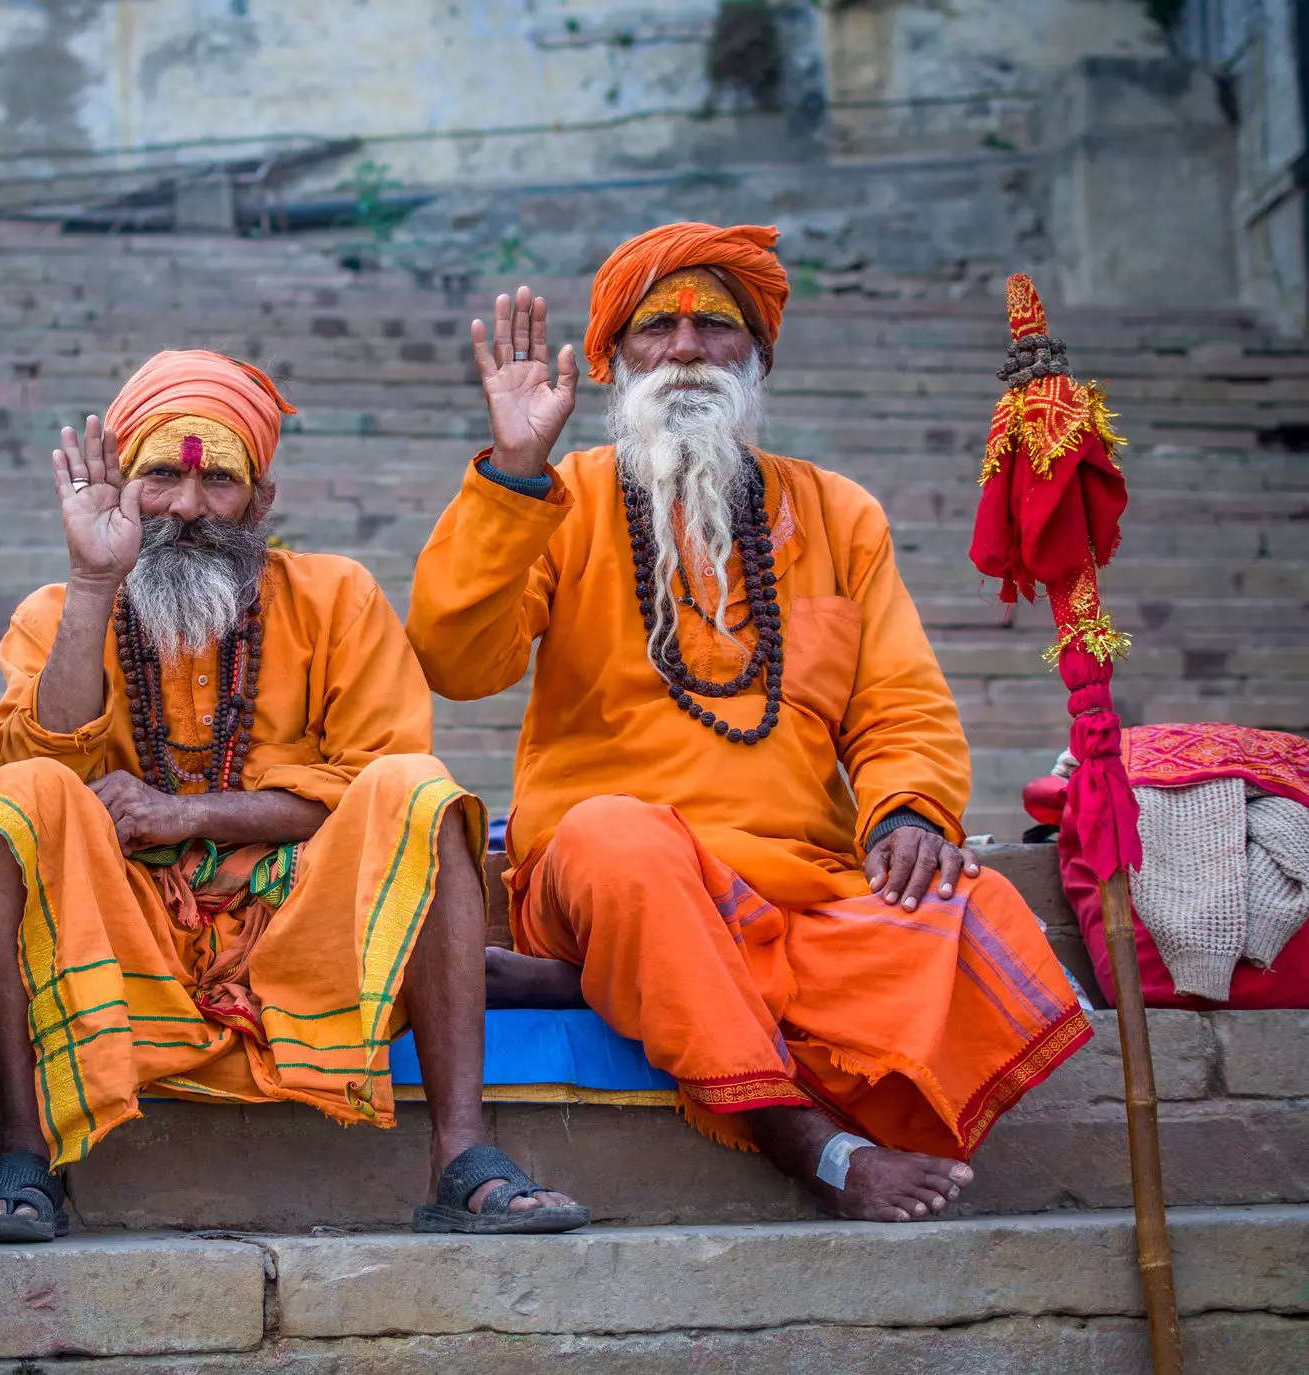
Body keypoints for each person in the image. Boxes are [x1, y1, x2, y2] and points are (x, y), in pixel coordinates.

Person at [406, 223, 1091, 1223]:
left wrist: (906, 812)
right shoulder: (560, 501)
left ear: (757, 356)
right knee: (620, 840)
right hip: (610, 868)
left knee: (966, 909)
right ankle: (808, 1143)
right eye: (657, 330)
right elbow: (456, 661)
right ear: (615, 359)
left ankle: (610, 984)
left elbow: (900, 703)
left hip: (793, 885)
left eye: (715, 329)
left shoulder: (839, 513)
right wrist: (512, 472)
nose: (685, 348)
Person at [0, 349, 585, 1241]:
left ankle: (460, 1155)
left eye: (218, 482)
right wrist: (95, 583)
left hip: (307, 928)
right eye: (160, 476)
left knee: (423, 788)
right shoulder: (59, 612)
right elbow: (40, 761)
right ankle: (27, 1150)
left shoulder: (336, 599)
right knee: (18, 797)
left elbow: (377, 774)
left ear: (262, 501)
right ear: (123, 490)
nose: (185, 506)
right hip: (134, 925)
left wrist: (191, 814)